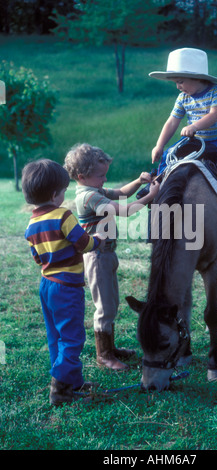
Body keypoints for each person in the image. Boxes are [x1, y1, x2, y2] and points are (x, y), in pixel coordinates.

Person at [64, 143, 160, 371]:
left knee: (111, 303)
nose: (105, 180)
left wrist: (139, 181)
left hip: (106, 255)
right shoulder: (88, 197)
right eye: (101, 176)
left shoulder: (93, 189)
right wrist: (150, 196)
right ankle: (104, 355)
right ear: (81, 176)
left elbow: (122, 193)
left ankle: (110, 348)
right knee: (104, 307)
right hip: (96, 257)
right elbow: (125, 210)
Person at [22, 159, 103, 406]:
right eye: (65, 190)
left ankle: (72, 382)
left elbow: (37, 257)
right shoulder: (63, 216)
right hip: (67, 288)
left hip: (46, 285)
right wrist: (97, 239)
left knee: (55, 336)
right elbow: (84, 243)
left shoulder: (31, 225)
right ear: (55, 194)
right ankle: (60, 390)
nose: (65, 195)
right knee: (73, 338)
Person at [149, 48, 217, 217]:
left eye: (181, 81)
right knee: (169, 155)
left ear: (197, 78)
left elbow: (215, 114)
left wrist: (194, 127)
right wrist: (159, 145)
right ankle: (157, 184)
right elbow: (172, 121)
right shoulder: (183, 98)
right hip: (194, 141)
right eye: (175, 82)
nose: (178, 87)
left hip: (216, 140)